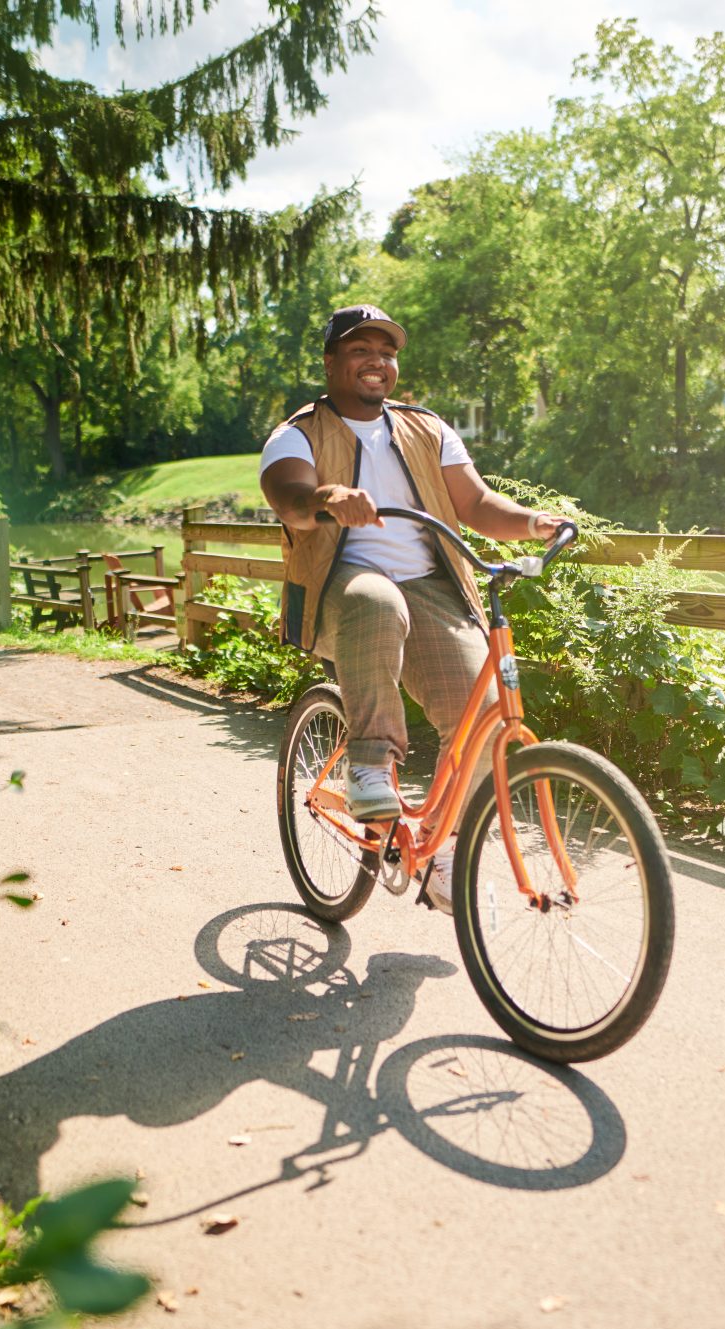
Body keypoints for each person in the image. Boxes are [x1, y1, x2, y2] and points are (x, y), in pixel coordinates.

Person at [259, 304, 570, 910]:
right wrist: (329, 497)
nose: (377, 361)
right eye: (359, 350)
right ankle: (370, 767)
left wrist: (533, 522)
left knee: (481, 715)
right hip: (343, 583)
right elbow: (290, 498)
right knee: (377, 604)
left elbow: (477, 505)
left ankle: (442, 849)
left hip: (430, 583)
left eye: (387, 352)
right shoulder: (297, 433)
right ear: (330, 363)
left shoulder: (426, 428)